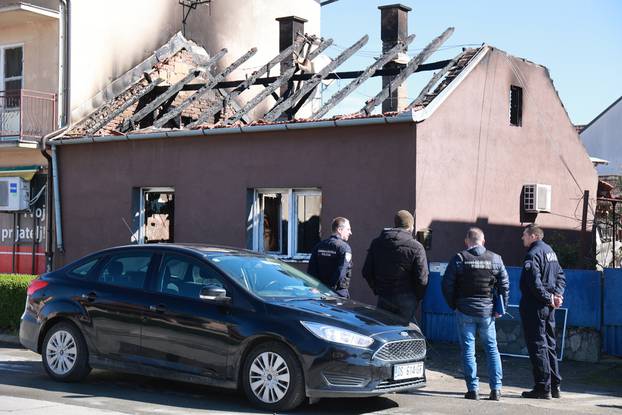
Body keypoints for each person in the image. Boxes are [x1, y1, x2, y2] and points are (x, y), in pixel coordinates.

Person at [441, 227, 509, 401]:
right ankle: (496, 390)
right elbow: (504, 286)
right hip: (487, 312)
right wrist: (501, 309)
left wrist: (454, 305)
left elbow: (446, 285)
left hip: (465, 310)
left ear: (467, 241)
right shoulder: (495, 258)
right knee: (492, 350)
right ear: (483, 241)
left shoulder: (460, 258)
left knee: (468, 351)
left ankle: (473, 390)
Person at [519, 224, 565, 400]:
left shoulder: (533, 254)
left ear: (533, 236)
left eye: (524, 234)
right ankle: (555, 386)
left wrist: (549, 297)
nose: (522, 237)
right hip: (549, 306)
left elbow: (534, 283)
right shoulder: (550, 251)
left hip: (535, 307)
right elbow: (560, 275)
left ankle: (542, 387)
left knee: (538, 346)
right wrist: (556, 296)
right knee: (550, 345)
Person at [362, 210, 428, 323]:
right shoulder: (416, 247)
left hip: (384, 297)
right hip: (407, 299)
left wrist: (377, 289)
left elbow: (366, 271)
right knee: (407, 335)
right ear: (411, 226)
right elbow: (422, 279)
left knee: (385, 333)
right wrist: (416, 297)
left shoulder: (377, 243)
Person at [307, 217, 352, 298]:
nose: (350, 232)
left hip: (319, 292)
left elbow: (311, 270)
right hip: (337, 293)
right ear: (339, 230)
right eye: (348, 229)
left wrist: (316, 287)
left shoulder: (319, 246)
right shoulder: (344, 248)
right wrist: (330, 289)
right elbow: (341, 272)